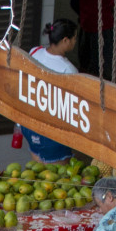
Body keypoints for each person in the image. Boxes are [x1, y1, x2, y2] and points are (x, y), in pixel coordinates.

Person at [22, 20, 81, 165]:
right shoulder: (68, 70)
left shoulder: (34, 52)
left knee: (36, 172)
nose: (75, 42)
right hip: (52, 132)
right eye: (74, 38)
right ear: (65, 40)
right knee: (56, 180)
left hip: (29, 125)